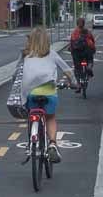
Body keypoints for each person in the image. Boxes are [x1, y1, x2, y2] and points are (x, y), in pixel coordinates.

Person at [20, 26, 76, 164]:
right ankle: (52, 143)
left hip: (30, 94)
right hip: (49, 94)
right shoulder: (52, 54)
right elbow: (67, 70)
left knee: (31, 114)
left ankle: (31, 141)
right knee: (50, 118)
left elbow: (17, 73)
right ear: (47, 40)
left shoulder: (26, 55)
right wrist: (74, 83)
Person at [68, 16, 97, 83]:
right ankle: (89, 67)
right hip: (87, 51)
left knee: (77, 67)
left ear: (77, 24)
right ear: (84, 24)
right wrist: (93, 49)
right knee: (90, 60)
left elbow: (71, 42)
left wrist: (70, 49)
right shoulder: (87, 32)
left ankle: (78, 84)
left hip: (77, 53)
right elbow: (92, 41)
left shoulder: (74, 33)